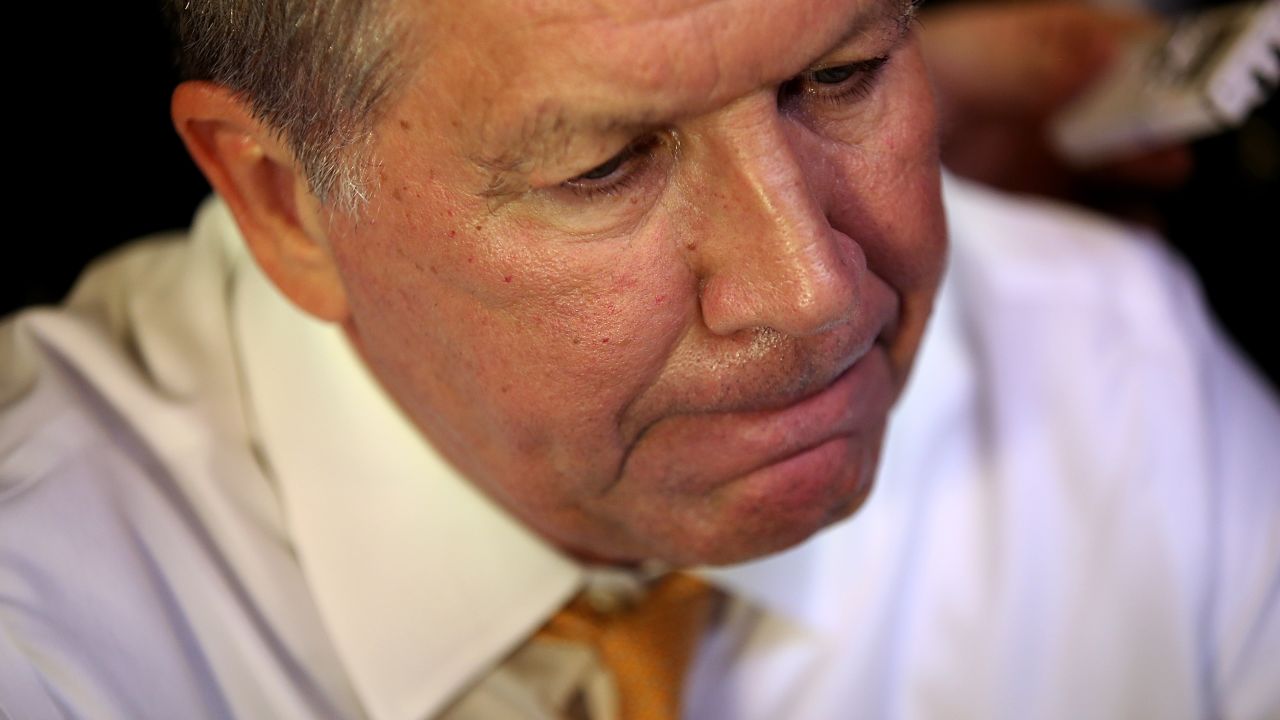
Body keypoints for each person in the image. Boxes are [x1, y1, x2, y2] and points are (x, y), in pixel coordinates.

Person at [1, 0, 1276, 718]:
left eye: (838, 76)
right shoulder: (45, 636)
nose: (814, 292)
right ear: (282, 202)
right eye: (604, 167)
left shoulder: (1115, 365)